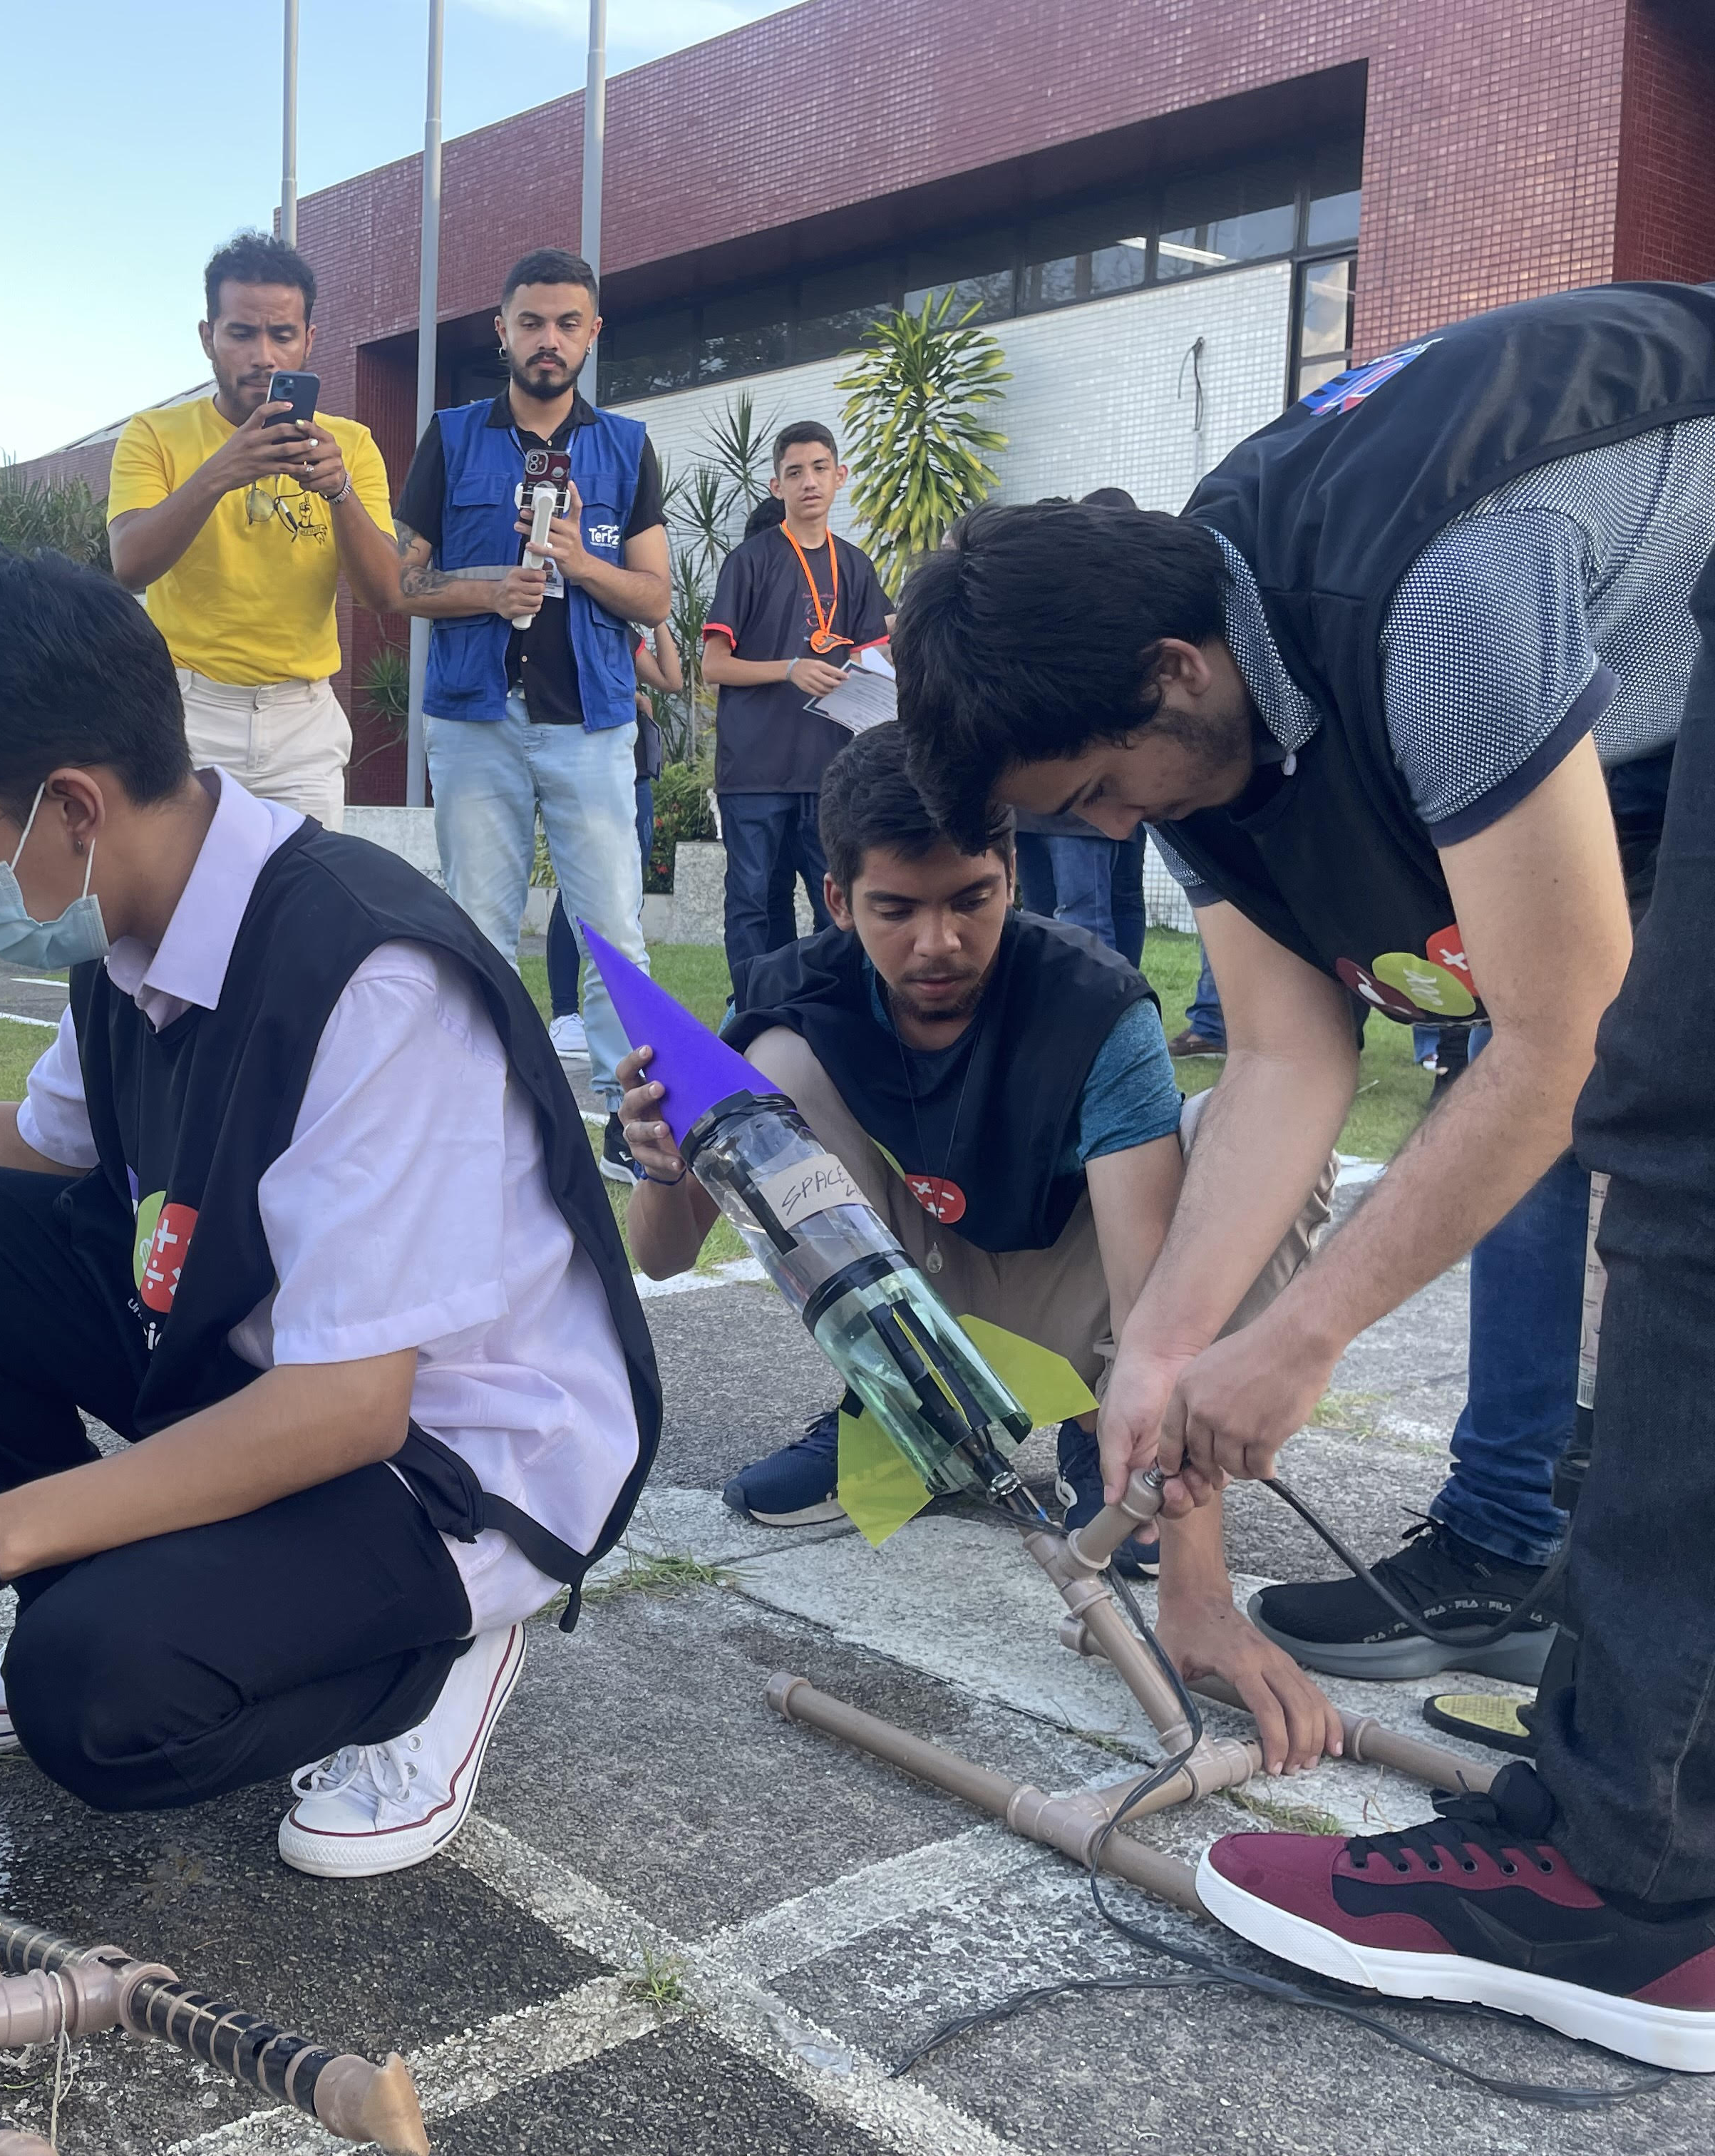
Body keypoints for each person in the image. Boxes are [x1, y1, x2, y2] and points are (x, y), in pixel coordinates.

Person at [890, 279, 1715, 2065]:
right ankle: (1662, 1784)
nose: (1120, 838)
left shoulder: (1446, 594)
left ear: (1177, 676)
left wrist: (1309, 1338)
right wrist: (1172, 1353)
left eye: (1109, 793)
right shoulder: (1190, 683)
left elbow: (1559, 1042)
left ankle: (1631, 1888)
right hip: (1650, 688)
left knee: (1681, 1171)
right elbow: (1282, 1053)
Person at [0, 548, 658, 1882]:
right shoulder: (128, 919)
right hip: (260, 1355)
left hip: (448, 1460)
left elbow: (352, 1403)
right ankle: (129, 1591)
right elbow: (30, 1145)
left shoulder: (367, 978)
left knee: (99, 1703)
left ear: (70, 804)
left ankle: (429, 1655)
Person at [613, 724, 1339, 1768]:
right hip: (931, 1275)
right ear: (836, 901)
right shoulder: (790, 993)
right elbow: (664, 1258)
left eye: (970, 901)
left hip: (1087, 1290)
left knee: (1259, 1145)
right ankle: (919, 1416)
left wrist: (1201, 1597)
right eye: (894, 911)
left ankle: (1106, 1429)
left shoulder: (1092, 1006)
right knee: (773, 1063)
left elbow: (1155, 1305)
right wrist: (662, 1161)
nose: (937, 945)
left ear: (1012, 876)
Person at [391, 246, 673, 1182]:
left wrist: (578, 563)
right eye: (531, 322)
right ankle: (482, 1115)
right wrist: (488, 587)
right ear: (501, 330)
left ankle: (627, 1129)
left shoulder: (627, 447)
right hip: (476, 717)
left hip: (590, 720)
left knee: (614, 934)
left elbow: (656, 599)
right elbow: (404, 581)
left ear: (592, 333)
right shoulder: (452, 436)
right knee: (477, 923)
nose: (548, 340)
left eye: (567, 323)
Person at [107, 232, 402, 828]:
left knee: (301, 911)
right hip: (186, 712)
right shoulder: (154, 435)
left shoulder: (353, 445)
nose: (263, 355)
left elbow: (385, 594)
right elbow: (130, 564)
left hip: (303, 721)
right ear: (208, 337)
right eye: (241, 333)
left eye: (282, 334)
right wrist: (221, 471)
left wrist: (340, 492)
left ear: (308, 341)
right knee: (181, 911)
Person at [702, 425, 893, 1012]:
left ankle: (832, 1011)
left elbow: (877, 660)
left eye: (819, 468)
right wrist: (790, 668)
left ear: (840, 477)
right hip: (755, 766)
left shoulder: (857, 567)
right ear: (775, 484)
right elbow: (714, 665)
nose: (808, 481)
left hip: (831, 769)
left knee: (835, 898)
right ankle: (753, 1013)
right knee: (754, 900)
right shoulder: (750, 560)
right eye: (794, 472)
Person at [1012, 489, 1151, 966]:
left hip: (1090, 797)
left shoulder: (1119, 607)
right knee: (1047, 914)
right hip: (1037, 798)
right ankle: (1060, 1013)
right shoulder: (1028, 605)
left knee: (1086, 913)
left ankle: (1108, 1017)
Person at [546, 619, 680, 1064]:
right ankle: (565, 1014)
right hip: (584, 763)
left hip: (630, 773)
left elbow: (671, 679)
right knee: (577, 895)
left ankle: (614, 1017)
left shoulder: (622, 633)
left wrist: (659, 617)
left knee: (623, 896)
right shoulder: (573, 624)